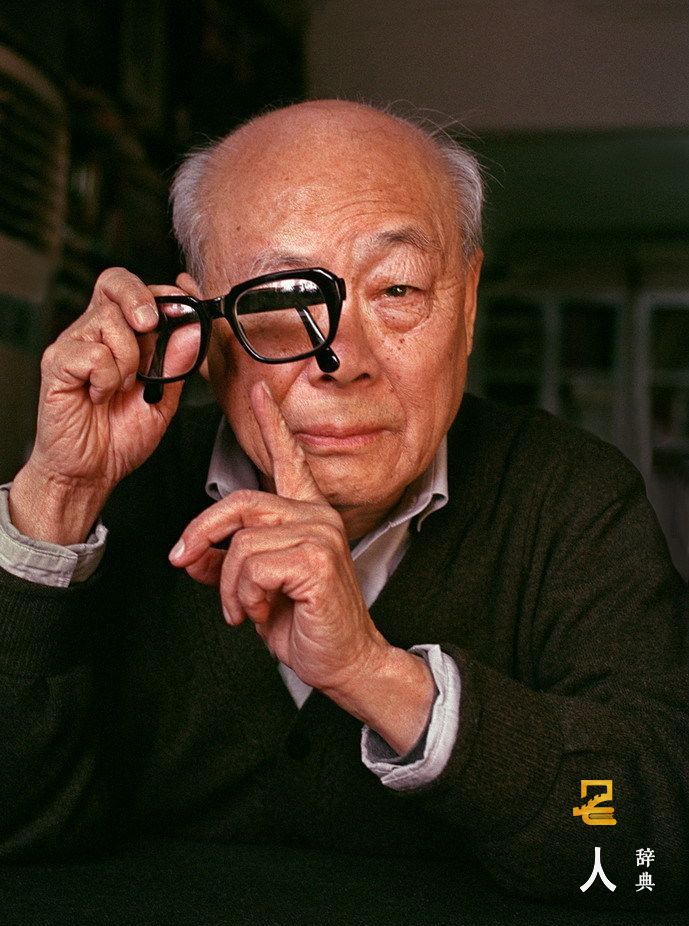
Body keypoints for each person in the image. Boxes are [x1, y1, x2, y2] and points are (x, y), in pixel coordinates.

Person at [0, 100, 686, 910]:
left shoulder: (568, 497)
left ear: (467, 304)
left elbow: (645, 848)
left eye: (397, 288)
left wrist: (372, 674)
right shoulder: (121, 490)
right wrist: (60, 496)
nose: (342, 360)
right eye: (283, 295)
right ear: (199, 326)